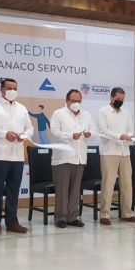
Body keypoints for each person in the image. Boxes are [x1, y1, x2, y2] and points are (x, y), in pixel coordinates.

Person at [0, 78, 34, 235]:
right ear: (1, 89)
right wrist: (4, 134)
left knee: (13, 191)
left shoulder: (22, 108)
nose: (12, 91)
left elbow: (30, 128)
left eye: (15, 88)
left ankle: (12, 222)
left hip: (17, 156)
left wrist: (24, 135)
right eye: (9, 88)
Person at [49, 89, 94, 228]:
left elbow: (93, 131)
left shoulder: (86, 115)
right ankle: (60, 217)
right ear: (67, 100)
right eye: (73, 101)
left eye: (79, 101)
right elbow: (54, 132)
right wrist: (70, 136)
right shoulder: (58, 114)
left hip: (79, 157)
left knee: (75, 190)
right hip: (63, 157)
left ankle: (72, 217)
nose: (76, 103)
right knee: (62, 190)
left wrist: (89, 134)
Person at [97, 87, 135, 225]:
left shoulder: (126, 112)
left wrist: (131, 136)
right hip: (109, 151)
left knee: (127, 183)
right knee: (108, 184)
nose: (120, 101)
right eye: (118, 99)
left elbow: (130, 129)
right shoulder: (103, 112)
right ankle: (105, 215)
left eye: (122, 99)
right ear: (111, 97)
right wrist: (119, 136)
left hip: (124, 151)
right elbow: (103, 131)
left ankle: (127, 214)